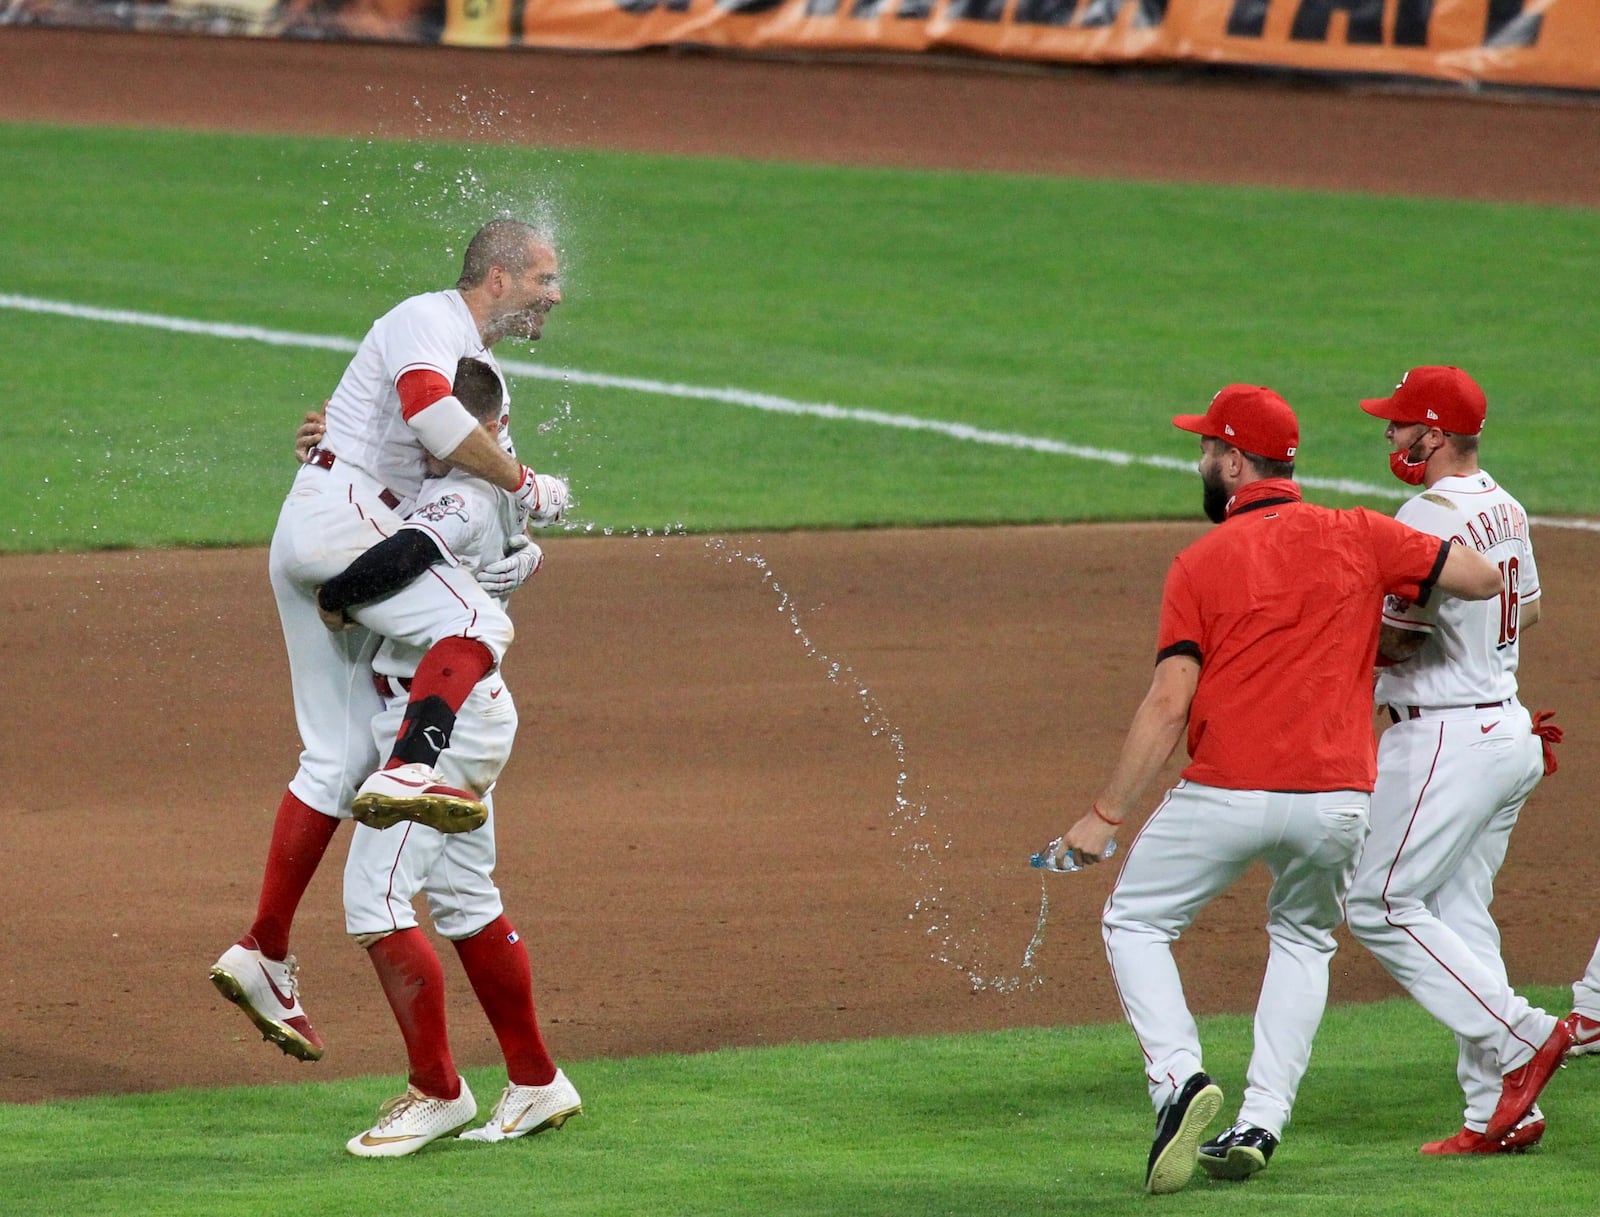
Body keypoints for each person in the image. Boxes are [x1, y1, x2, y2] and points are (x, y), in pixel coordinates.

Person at [1049, 385, 1503, 1195]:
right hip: (1338, 801)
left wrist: (1104, 813)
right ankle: (1262, 1118)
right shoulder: (1359, 532)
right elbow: (1477, 577)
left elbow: (1168, 700)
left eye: (1206, 450)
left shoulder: (1201, 561)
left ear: (1232, 461)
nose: (1200, 461)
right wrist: (1388, 613)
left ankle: (1179, 1082)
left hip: (1226, 792)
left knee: (1135, 918)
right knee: (1303, 937)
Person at [210, 219, 571, 1063]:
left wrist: (520, 514)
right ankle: (414, 763)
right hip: (344, 521)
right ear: (499, 276)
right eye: (545, 278)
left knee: (332, 764)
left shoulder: (480, 373)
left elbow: (472, 468)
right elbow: (440, 427)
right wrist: (526, 482)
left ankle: (263, 948)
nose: (556, 294)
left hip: (326, 525)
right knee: (476, 624)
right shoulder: (428, 320)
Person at [313, 357, 581, 1157]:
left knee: (374, 900)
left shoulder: (465, 492)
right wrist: (323, 448)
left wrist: (332, 597)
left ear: (480, 432)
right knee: (466, 902)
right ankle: (536, 1080)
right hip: (463, 710)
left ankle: (437, 1091)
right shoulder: (490, 460)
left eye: (434, 434)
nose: (419, 445)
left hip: (443, 722)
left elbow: (394, 563)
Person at [1344, 366, 1576, 1155]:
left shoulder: (1426, 511)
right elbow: (1531, 607)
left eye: (1400, 423)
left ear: (1433, 434)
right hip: (1503, 728)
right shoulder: (1505, 504)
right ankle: (1499, 1114)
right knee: (1456, 917)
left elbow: (1399, 632)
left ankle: (1525, 1036)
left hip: (1442, 738)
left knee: (1376, 901)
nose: (1390, 435)